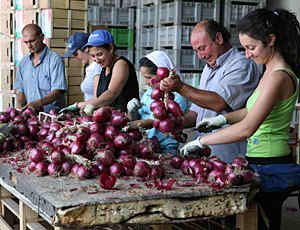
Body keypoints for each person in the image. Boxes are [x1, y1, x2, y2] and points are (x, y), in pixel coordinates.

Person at [180, 9, 300, 230]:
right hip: (256, 160)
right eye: (244, 48)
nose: (247, 55)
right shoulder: (268, 72)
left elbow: (247, 128)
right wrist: (222, 120)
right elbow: (248, 112)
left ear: (271, 40)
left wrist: (202, 141)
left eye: (251, 48)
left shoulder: (279, 76)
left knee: (258, 223)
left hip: (271, 163)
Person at [160, 19, 262, 163]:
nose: (200, 56)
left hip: (230, 157)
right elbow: (197, 113)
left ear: (219, 38)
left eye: (202, 48)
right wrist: (175, 122)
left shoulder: (241, 65)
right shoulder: (209, 68)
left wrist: (180, 87)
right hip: (208, 154)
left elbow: (219, 102)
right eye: (196, 51)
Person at [127, 51, 188, 154]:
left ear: (162, 75)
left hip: (166, 148)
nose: (146, 82)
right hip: (146, 145)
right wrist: (132, 111)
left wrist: (130, 125)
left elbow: (157, 122)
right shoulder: (149, 92)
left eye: (149, 77)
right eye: (144, 77)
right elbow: (139, 116)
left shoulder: (177, 97)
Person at [73, 29, 139, 114]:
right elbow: (98, 98)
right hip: (109, 119)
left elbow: (112, 93)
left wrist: (90, 105)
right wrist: (78, 105)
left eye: (100, 54)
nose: (96, 60)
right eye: (93, 56)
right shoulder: (104, 68)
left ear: (111, 48)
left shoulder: (121, 64)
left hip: (125, 120)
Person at [13, 24, 67, 113]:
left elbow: (57, 92)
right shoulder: (23, 63)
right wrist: (19, 110)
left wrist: (37, 103)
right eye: (26, 42)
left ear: (42, 37)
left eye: (32, 41)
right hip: (31, 116)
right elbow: (20, 90)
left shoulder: (54, 60)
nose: (29, 45)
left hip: (52, 116)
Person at [62, 32, 102, 101]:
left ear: (86, 49)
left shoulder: (97, 67)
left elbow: (98, 98)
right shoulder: (90, 68)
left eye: (75, 54)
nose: (75, 57)